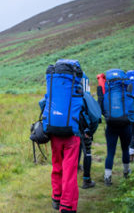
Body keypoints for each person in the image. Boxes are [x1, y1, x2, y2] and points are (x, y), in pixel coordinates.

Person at [38, 60, 98, 213]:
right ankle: (67, 207)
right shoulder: (78, 91)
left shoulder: (53, 90)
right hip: (72, 136)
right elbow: (94, 114)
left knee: (57, 167)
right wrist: (90, 130)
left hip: (54, 134)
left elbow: (42, 104)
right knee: (69, 172)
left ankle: (56, 198)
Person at [98, 69, 134, 186]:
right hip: (126, 126)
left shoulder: (107, 96)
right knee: (125, 150)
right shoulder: (129, 95)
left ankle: (107, 178)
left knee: (110, 152)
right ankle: (126, 172)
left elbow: (102, 111)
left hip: (111, 126)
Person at [78, 73, 101, 189]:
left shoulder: (65, 94)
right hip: (84, 130)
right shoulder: (86, 96)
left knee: (74, 151)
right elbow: (95, 117)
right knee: (87, 152)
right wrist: (90, 132)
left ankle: (74, 171)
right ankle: (86, 180)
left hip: (70, 130)